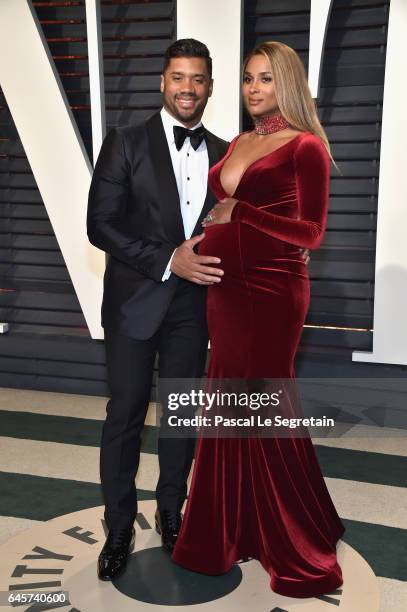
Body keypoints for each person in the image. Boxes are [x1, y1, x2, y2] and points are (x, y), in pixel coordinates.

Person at [172, 41, 345, 598]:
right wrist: (198, 242)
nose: (253, 88)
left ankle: (297, 537)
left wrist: (242, 213)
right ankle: (229, 529)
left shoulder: (306, 148)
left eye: (266, 79)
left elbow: (312, 233)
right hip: (226, 291)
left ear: (286, 83)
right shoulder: (242, 141)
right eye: (248, 78)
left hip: (273, 295)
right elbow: (215, 209)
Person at [87, 38, 229, 581]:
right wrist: (168, 259)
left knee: (181, 416)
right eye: (178, 77)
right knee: (123, 418)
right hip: (134, 305)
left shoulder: (225, 151)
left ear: (209, 87)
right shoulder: (124, 142)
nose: (187, 88)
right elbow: (100, 224)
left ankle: (173, 513)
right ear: (162, 82)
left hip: (194, 310)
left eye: (197, 79)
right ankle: (118, 526)